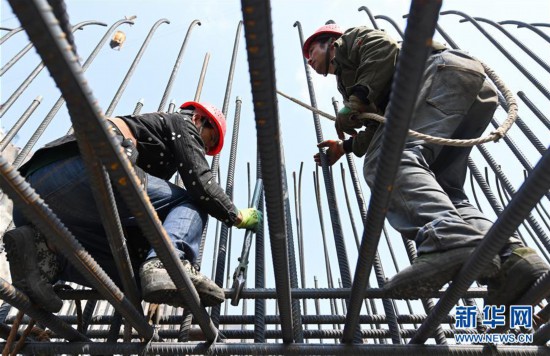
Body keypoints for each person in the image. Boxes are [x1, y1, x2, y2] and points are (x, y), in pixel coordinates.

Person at [304, 24, 549, 305]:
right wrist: (345, 147)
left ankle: (448, 239)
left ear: (330, 42)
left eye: (311, 50)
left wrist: (357, 100)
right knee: (445, 190)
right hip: (463, 89)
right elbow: (378, 127)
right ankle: (513, 261)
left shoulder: (349, 42)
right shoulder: (355, 78)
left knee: (385, 163)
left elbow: (382, 48)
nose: (309, 60)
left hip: (437, 77)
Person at [5, 101, 262, 312]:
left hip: (32, 198)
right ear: (198, 119)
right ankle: (166, 264)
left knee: (134, 278)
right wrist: (236, 215)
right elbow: (201, 184)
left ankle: (45, 257)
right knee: (190, 202)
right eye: (208, 140)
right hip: (82, 169)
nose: (204, 149)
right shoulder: (181, 123)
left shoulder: (153, 153)